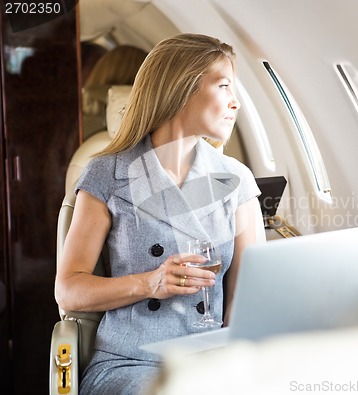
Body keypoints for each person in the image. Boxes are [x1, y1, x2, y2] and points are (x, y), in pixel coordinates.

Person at [55, 33, 263, 394]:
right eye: (225, 86)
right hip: (130, 361)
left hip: (208, 361)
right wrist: (152, 282)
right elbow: (69, 290)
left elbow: (247, 301)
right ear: (182, 89)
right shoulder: (107, 173)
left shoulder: (236, 180)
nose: (235, 104)